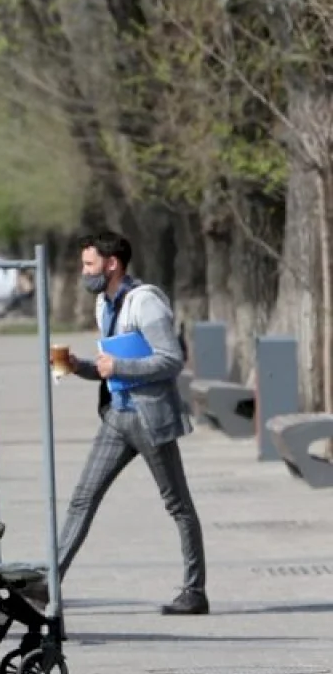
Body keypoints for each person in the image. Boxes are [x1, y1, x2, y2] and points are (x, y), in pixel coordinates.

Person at [57, 231, 209, 616]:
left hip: (148, 418)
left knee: (177, 505)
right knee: (82, 499)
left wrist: (119, 365)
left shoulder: (145, 302)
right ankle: (50, 583)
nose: (84, 271)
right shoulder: (103, 304)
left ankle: (195, 591)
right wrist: (80, 367)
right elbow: (110, 370)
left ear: (112, 264)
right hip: (116, 417)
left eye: (89, 264)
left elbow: (171, 360)